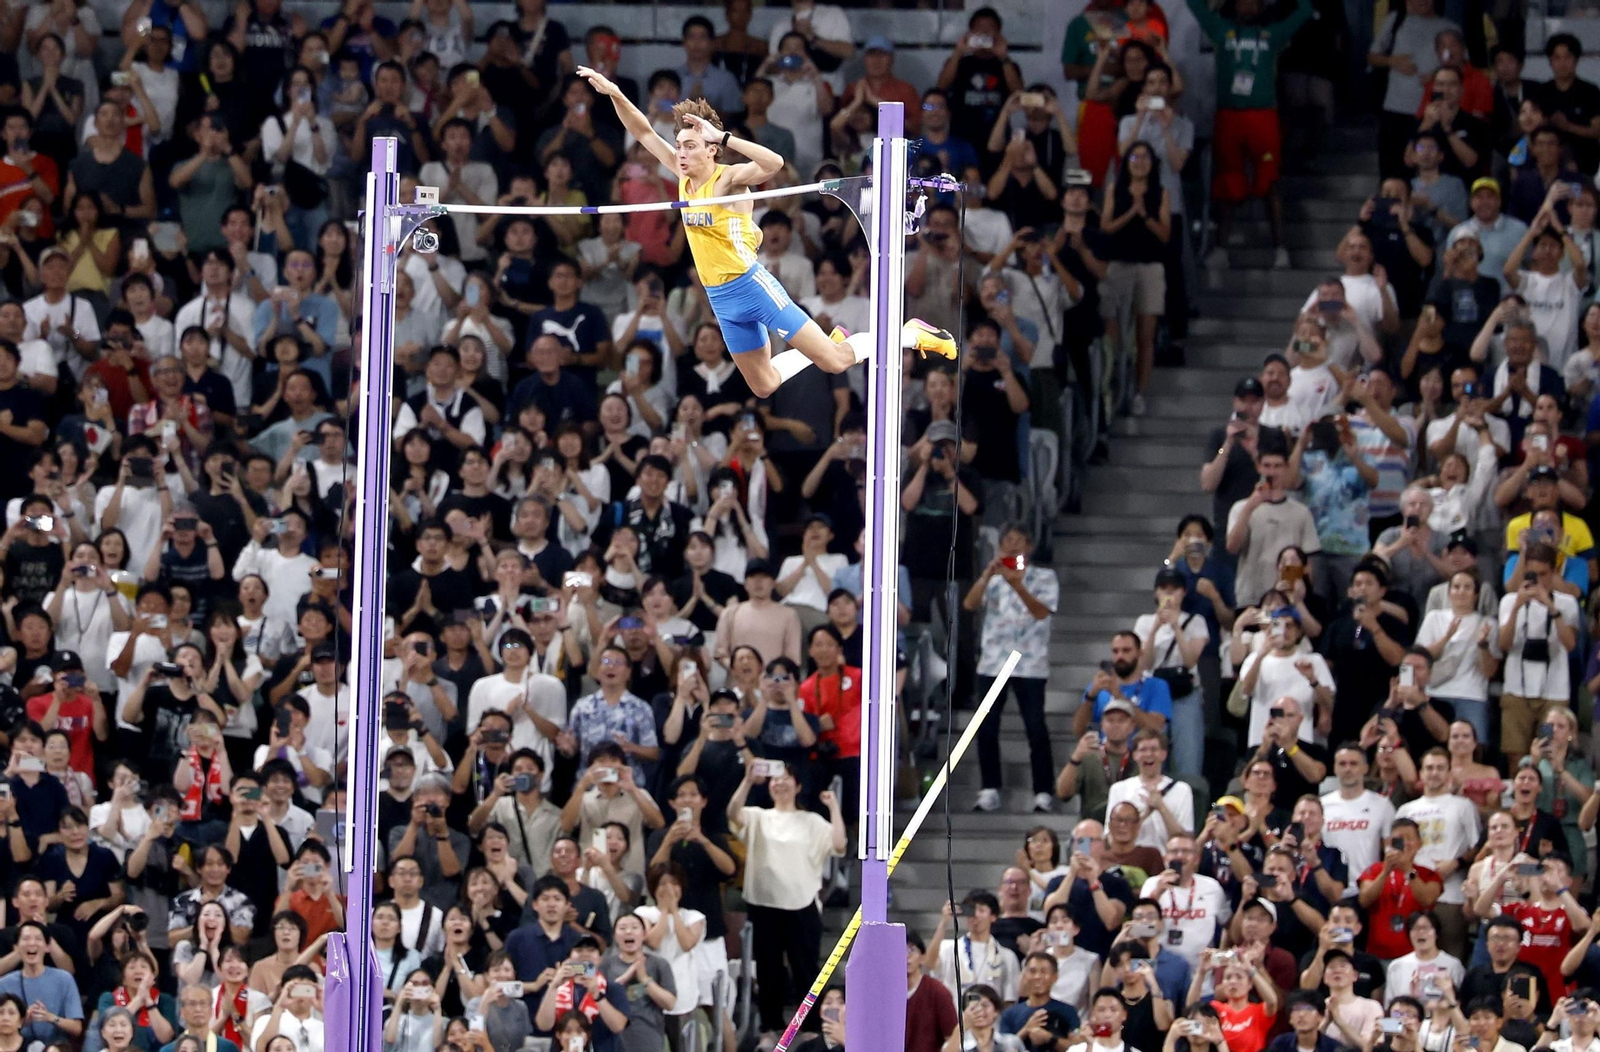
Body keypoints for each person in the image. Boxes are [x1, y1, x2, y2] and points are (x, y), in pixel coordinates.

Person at [575, 65, 956, 398]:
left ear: (710, 150)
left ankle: (909, 333)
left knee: (835, 363)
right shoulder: (681, 175)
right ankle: (827, 341)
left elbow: (773, 163)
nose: (681, 153)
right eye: (679, 147)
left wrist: (721, 135)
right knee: (764, 384)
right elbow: (642, 132)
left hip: (751, 286)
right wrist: (615, 93)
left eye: (690, 146)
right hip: (720, 298)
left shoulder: (728, 180)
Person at [967, 522, 1059, 812]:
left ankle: (1043, 791)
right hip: (993, 662)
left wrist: (1017, 584)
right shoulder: (992, 579)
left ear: (1029, 547)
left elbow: (1041, 612)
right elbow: (969, 605)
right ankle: (989, 788)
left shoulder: (1045, 577)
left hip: (1029, 663)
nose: (1013, 545)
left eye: (1019, 540)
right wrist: (985, 576)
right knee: (987, 726)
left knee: (1035, 727)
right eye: (1008, 540)